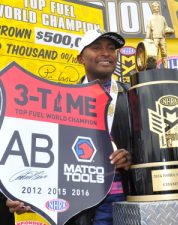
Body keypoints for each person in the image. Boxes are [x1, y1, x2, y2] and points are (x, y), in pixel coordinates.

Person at [6, 28, 132, 225]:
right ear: (80, 58)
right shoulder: (61, 101)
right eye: (96, 47)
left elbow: (149, 149)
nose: (106, 53)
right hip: (82, 203)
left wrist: (132, 158)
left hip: (127, 198)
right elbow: (48, 154)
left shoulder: (133, 96)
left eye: (111, 48)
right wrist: (21, 192)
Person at [145, 1, 174, 68]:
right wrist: (147, 38)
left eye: (158, 6)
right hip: (155, 38)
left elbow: (166, 27)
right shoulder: (150, 18)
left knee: (164, 54)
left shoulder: (162, 18)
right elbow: (148, 28)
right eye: (155, 6)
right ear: (152, 8)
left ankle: (166, 67)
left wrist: (170, 30)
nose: (157, 8)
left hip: (162, 38)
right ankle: (155, 67)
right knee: (154, 54)